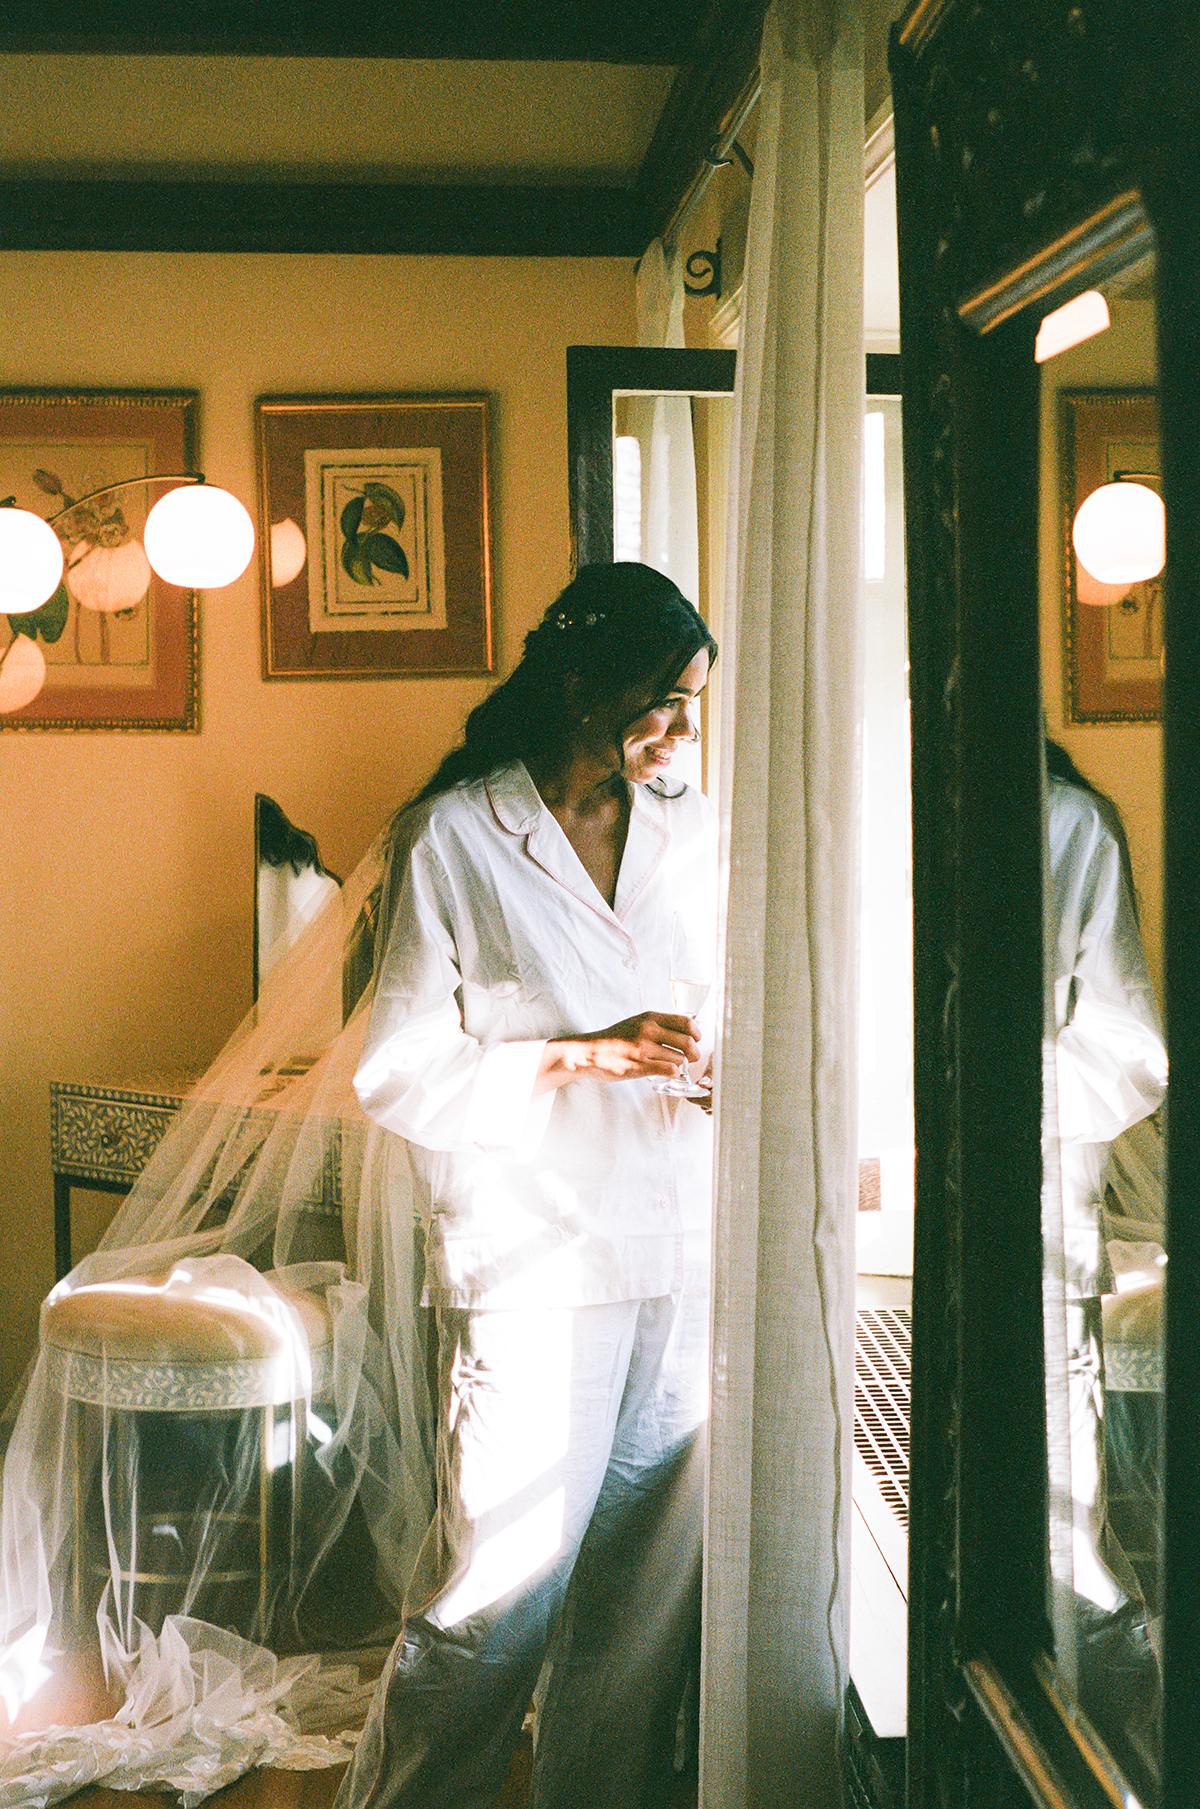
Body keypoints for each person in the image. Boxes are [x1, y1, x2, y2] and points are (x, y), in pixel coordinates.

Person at [335, 561, 719, 1809]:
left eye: (691, 706)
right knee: (497, 1596)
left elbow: (726, 1001)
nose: (677, 733)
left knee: (644, 1600)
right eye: (660, 701)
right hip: (533, 1260)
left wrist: (723, 1063)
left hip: (681, 1238)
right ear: (582, 686)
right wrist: (581, 1051)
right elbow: (397, 1069)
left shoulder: (692, 830)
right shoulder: (458, 837)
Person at [1044, 738, 1167, 1797]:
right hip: (847, 1220)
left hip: (1021, 1214)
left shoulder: (1063, 826)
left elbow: (1129, 1052)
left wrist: (953, 1103)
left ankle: (1124, 1760)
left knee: (1060, 1519)